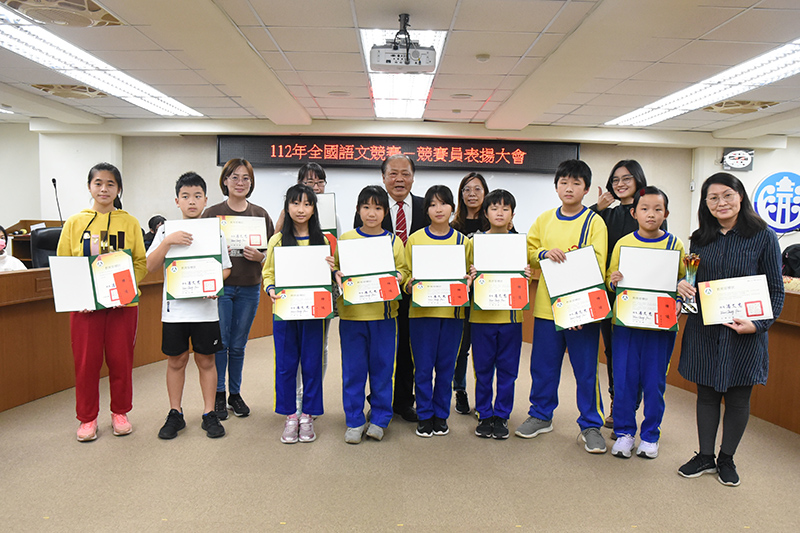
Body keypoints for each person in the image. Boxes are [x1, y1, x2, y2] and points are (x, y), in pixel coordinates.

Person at [676, 173, 784, 487]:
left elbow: (775, 291)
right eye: (713, 198)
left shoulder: (763, 236)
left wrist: (759, 324)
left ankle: (727, 459)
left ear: (740, 196)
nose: (721, 203)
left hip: (745, 334)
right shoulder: (700, 238)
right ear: (705, 203)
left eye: (727, 195)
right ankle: (705, 456)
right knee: (706, 396)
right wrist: (684, 285)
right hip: (705, 331)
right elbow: (692, 280)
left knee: (738, 398)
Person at [515, 159, 609, 454]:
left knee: (585, 370)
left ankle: (591, 424)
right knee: (543, 366)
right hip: (546, 308)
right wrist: (543, 252)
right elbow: (528, 252)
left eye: (576, 183)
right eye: (564, 182)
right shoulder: (544, 219)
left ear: (587, 189)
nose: (569, 188)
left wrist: (579, 307)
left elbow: (597, 263)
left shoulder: (594, 222)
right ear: (556, 186)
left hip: (582, 310)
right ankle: (541, 415)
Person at [56, 162, 147, 441]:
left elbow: (140, 263)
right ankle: (87, 418)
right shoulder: (74, 223)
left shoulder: (129, 222)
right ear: (89, 187)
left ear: (119, 189)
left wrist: (124, 291)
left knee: (121, 360)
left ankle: (120, 412)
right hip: (85, 309)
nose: (104, 188)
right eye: (98, 183)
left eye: (110, 184)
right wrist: (78, 295)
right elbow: (64, 264)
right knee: (86, 363)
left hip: (122, 307)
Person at [146, 172, 232, 439]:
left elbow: (226, 269)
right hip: (175, 310)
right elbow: (149, 266)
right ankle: (175, 413)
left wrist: (213, 285)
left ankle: (209, 413)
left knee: (206, 360)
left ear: (205, 200)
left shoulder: (214, 230)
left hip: (206, 309)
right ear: (177, 200)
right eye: (185, 196)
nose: (191, 201)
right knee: (176, 360)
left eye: (197, 196)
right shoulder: (164, 230)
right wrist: (168, 241)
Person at [605, 187, 685, 459]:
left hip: (660, 326)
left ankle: (650, 435)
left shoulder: (674, 245)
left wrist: (681, 289)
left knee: (654, 382)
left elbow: (683, 281)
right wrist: (613, 280)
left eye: (657, 209)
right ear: (634, 212)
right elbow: (610, 279)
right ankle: (626, 432)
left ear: (666, 213)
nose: (651, 214)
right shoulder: (624, 243)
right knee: (625, 379)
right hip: (627, 323)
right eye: (644, 209)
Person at [354, 154, 429, 422]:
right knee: (380, 352)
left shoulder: (425, 206)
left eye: (405, 173)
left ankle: (403, 401)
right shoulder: (371, 207)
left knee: (409, 348)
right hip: (378, 295)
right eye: (393, 173)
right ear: (383, 176)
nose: (399, 179)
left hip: (419, 290)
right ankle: (377, 401)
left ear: (413, 176)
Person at [333, 185, 409, 443]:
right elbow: (337, 272)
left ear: (385, 212)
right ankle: (354, 420)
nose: (372, 213)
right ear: (358, 210)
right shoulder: (346, 239)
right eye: (366, 207)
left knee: (383, 369)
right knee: (353, 371)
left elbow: (404, 271)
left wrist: (399, 276)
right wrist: (337, 275)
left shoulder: (393, 241)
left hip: (384, 317)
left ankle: (379, 418)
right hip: (353, 317)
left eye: (377, 208)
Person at [203, 158, 274, 420]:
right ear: (225, 180)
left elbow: (272, 257)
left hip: (249, 288)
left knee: (239, 345)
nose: (240, 182)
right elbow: (202, 252)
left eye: (246, 178)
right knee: (220, 343)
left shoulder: (260, 214)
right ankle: (219, 393)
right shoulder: (211, 214)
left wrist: (261, 258)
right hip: (221, 289)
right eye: (234, 177)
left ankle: (235, 393)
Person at [263, 184, 333, 444]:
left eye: (306, 204)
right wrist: (270, 288)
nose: (300, 209)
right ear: (287, 207)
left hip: (314, 311)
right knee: (286, 363)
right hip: (285, 310)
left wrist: (332, 269)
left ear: (314, 208)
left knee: (312, 363)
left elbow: (329, 278)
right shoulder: (278, 240)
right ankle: (290, 415)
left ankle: (308, 414)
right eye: (295, 203)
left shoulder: (322, 240)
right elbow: (268, 272)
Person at [405, 185, 472, 438]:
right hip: (422, 315)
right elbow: (407, 274)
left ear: (452, 207)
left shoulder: (463, 242)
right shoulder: (415, 239)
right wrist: (408, 283)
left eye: (443, 203)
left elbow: (470, 275)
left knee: (446, 368)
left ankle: (441, 415)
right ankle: (424, 415)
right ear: (427, 210)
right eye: (432, 204)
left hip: (453, 315)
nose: (438, 209)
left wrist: (469, 280)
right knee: (422, 368)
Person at [589, 160, 650, 428]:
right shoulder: (607, 215)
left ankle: (630, 405)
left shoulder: (648, 212)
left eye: (626, 178)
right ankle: (617, 403)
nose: (620, 184)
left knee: (635, 353)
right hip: (609, 293)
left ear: (638, 181)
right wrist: (598, 207)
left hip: (639, 295)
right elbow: (580, 223)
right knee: (613, 351)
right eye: (615, 180)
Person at [276, 162, 336, 416]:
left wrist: (335, 266)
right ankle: (293, 403)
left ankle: (308, 401)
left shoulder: (328, 226)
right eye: (308, 182)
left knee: (316, 350)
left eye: (318, 182)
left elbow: (338, 258)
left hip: (319, 299)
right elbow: (272, 265)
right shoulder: (280, 232)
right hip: (289, 300)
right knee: (289, 356)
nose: (314, 187)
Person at [469, 189, 529, 439]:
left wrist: (526, 275)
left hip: (511, 317)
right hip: (481, 317)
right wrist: (470, 277)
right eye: (494, 208)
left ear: (513, 214)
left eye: (505, 208)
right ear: (486, 213)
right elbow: (463, 278)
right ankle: (484, 413)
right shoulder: (474, 242)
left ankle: (502, 415)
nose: (500, 212)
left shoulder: (520, 243)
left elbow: (528, 276)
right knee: (482, 368)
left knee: (507, 370)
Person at [450, 172, 490, 415]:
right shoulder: (453, 227)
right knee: (461, 347)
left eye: (477, 189)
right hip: (460, 295)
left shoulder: (497, 225)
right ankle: (460, 390)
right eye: (466, 189)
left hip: (488, 295)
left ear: (485, 193)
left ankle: (484, 397)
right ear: (460, 195)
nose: (472, 194)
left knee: (484, 349)